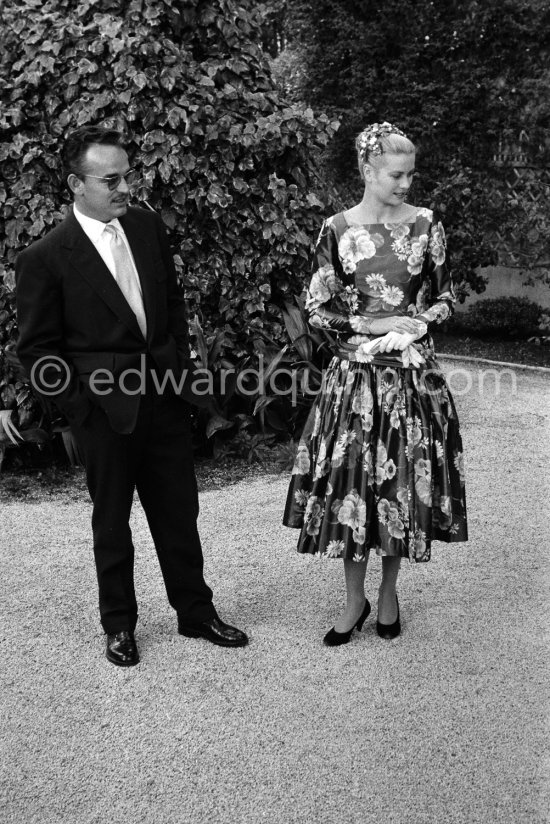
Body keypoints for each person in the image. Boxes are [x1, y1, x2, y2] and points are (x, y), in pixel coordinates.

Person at [15, 125, 248, 666]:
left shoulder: (145, 228)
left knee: (178, 512)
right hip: (103, 414)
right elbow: (38, 352)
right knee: (112, 521)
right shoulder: (46, 257)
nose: (125, 187)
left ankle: (196, 612)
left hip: (165, 398)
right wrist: (81, 410)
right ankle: (118, 624)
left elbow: (171, 303)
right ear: (76, 183)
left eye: (127, 175)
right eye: (111, 179)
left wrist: (178, 367)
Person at [283, 122, 468, 645]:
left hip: (412, 378)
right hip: (355, 380)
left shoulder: (428, 226)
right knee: (353, 488)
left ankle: (388, 595)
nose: (407, 183)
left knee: (400, 487)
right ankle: (353, 599)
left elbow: (446, 298)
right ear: (367, 171)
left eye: (411, 174)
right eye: (396, 174)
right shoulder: (336, 229)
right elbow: (317, 309)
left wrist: (418, 322)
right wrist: (374, 325)